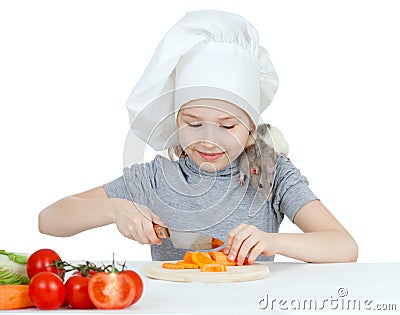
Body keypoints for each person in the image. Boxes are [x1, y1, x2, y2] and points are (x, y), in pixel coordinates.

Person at [38, 10, 358, 264]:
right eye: (193, 124)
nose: (208, 140)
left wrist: (273, 242)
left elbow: (344, 246)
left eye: (227, 126)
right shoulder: (156, 178)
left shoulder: (273, 176)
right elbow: (50, 219)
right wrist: (114, 209)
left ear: (250, 128)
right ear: (176, 120)